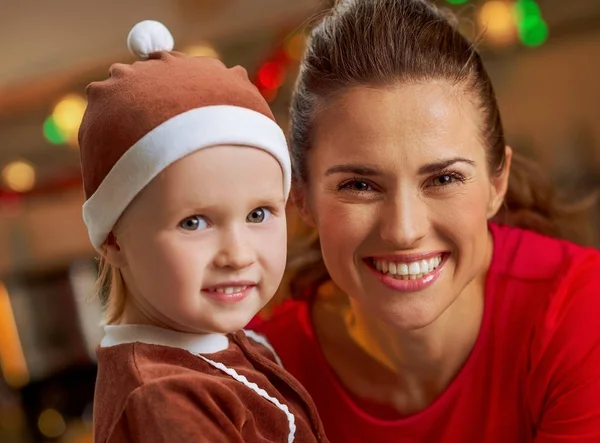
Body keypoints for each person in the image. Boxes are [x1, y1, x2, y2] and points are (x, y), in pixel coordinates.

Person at [252, 0, 600, 441]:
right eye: (359, 185)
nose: (403, 229)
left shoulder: (581, 312)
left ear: (497, 182)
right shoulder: (257, 371)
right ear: (301, 198)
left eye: (444, 178)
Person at [79, 20, 328, 443]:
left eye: (259, 214)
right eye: (194, 222)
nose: (237, 254)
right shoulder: (163, 397)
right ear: (114, 238)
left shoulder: (220, 343)